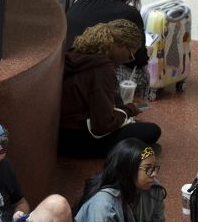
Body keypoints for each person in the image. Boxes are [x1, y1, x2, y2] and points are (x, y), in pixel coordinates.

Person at [59, 20, 161, 159]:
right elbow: (103, 125)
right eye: (130, 54)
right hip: (76, 138)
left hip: (60, 129)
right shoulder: (103, 69)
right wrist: (130, 110)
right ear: (121, 46)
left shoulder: (77, 52)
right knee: (152, 131)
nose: (128, 60)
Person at [65, 0, 149, 68]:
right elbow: (138, 56)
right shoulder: (129, 13)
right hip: (89, 69)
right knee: (141, 73)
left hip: (64, 61)